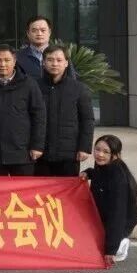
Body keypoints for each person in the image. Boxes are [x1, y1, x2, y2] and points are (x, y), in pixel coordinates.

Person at [0, 44, 46, 176]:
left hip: (22, 152)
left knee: (24, 189)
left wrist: (37, 146)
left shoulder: (28, 84)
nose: (2, 64)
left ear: (15, 61)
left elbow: (39, 116)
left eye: (7, 60)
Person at [81, 135, 137, 267]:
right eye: (97, 149)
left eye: (106, 152)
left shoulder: (118, 178)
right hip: (104, 215)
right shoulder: (103, 165)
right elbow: (99, 175)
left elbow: (117, 215)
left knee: (103, 251)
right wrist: (88, 173)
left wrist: (111, 250)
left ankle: (120, 243)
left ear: (115, 155)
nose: (100, 155)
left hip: (122, 221)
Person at [37, 45, 95, 177]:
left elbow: (87, 120)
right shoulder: (34, 87)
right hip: (40, 153)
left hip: (69, 154)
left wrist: (84, 147)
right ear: (43, 62)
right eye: (50, 60)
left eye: (59, 60)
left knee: (67, 189)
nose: (54, 64)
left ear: (66, 63)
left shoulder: (79, 88)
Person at [16, 15, 59, 81]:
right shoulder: (18, 57)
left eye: (43, 30)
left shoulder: (60, 55)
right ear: (28, 33)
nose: (39, 34)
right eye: (34, 31)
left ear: (49, 32)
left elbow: (71, 81)